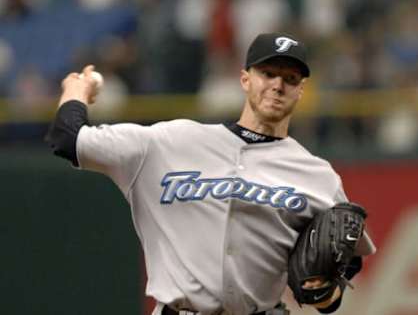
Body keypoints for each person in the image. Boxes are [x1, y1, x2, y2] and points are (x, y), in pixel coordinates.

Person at [46, 32, 376, 315]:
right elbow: (67, 138)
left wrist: (327, 295)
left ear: (301, 90)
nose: (278, 85)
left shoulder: (317, 175)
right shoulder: (167, 142)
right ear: (245, 79)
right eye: (268, 73)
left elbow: (343, 265)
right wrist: (76, 90)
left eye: (290, 79)